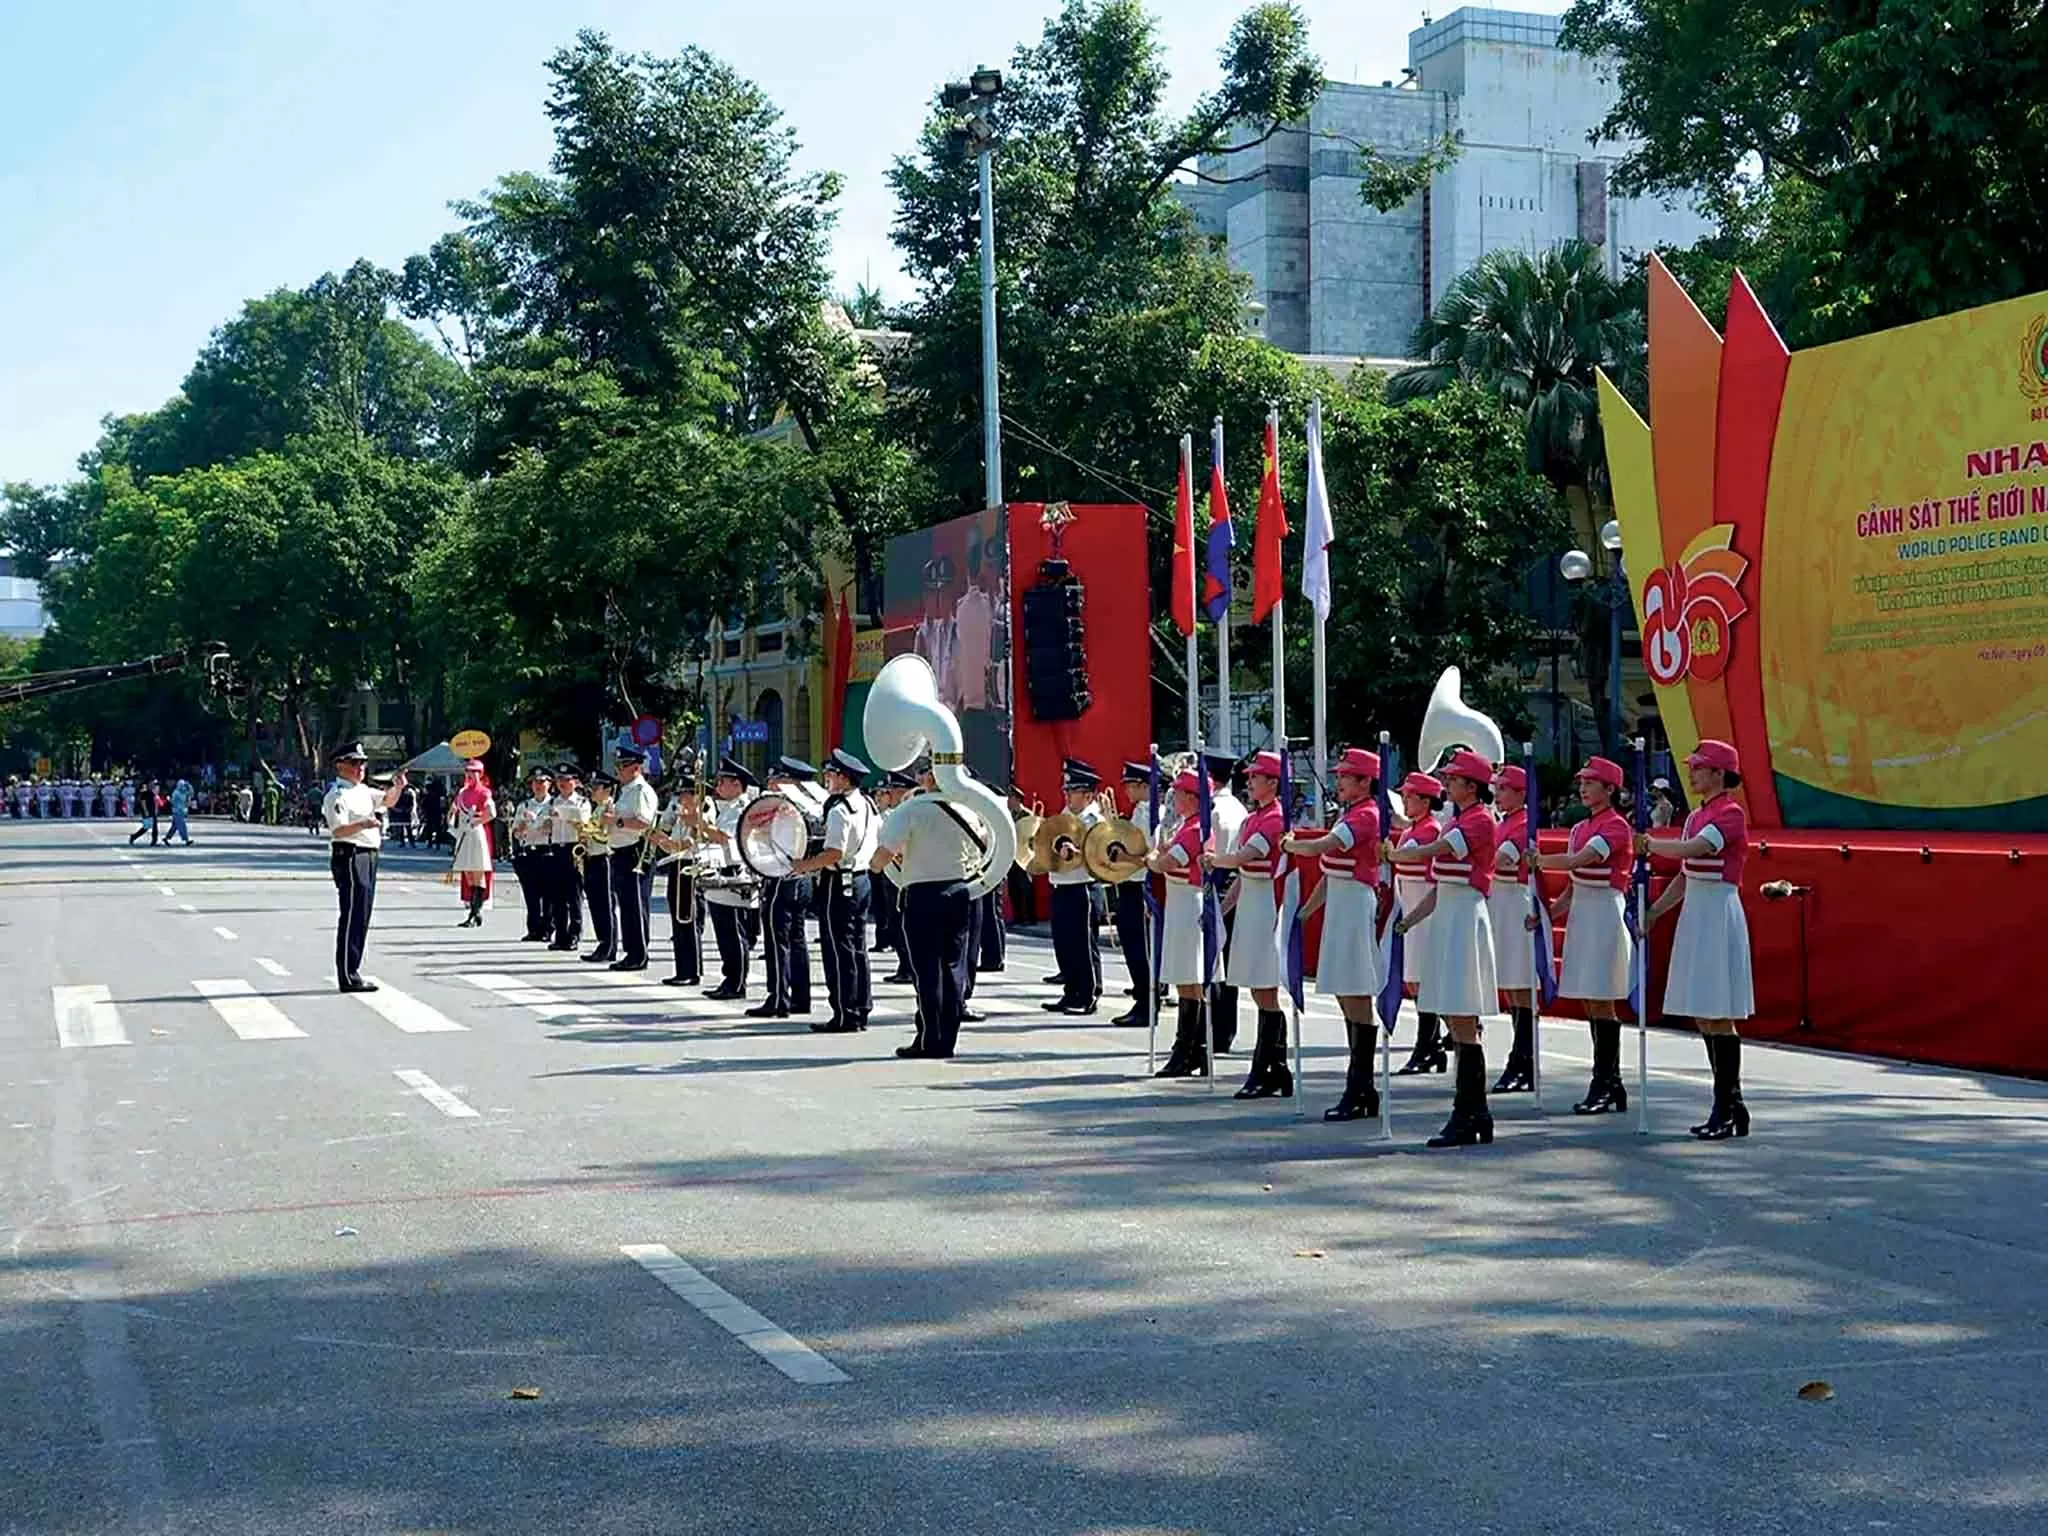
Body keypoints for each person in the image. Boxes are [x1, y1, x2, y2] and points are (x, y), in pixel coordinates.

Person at [1641, 740, 1755, 1139]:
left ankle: (1726, 1106)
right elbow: (1686, 873)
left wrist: (1652, 844)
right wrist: (1655, 913)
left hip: (1718, 910)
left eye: (1700, 767)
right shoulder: (1697, 815)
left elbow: (1695, 849)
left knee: (1717, 1010)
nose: (1692, 773)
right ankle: (1730, 1104)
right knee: (1705, 1012)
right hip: (1697, 910)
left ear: (1720, 773)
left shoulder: (1730, 814)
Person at [1390, 750, 1501, 1149]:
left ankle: (1469, 1111)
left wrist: (1398, 853)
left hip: (1465, 917)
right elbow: (1440, 886)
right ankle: (1473, 1111)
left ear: (1471, 787)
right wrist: (1409, 920)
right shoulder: (1460, 819)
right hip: (1450, 914)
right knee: (1456, 1018)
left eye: (1453, 780)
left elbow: (1435, 852)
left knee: (1462, 1016)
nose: (1447, 786)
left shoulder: (1478, 820)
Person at [1283, 747, 1386, 1121]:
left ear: (1364, 782)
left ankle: (1361, 1086)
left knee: (1355, 990)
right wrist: (1307, 911)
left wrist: (1289, 843)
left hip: (1356, 903)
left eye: (1345, 776)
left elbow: (1320, 848)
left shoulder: (1366, 815)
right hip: (1341, 902)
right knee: (1345, 991)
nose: (1338, 781)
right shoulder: (1351, 814)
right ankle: (1359, 1086)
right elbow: (1331, 869)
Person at [1532, 758, 1635, 1116]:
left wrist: (1539, 860)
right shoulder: (1579, 828)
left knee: (1601, 997)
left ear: (1610, 790)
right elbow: (1573, 888)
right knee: (1590, 1001)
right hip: (1583, 914)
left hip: (1605, 912)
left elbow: (1583, 860)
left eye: (1592, 783)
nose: (1584, 788)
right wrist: (1546, 916)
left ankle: (1605, 1082)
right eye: (1583, 782)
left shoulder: (1616, 826)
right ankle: (1610, 1081)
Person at [870, 763, 983, 1060]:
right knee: (954, 967)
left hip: (922, 895)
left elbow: (883, 856)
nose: (919, 779)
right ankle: (948, 1038)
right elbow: (983, 846)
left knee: (927, 971)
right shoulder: (968, 810)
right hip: (958, 892)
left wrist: (876, 865)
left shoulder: (911, 810)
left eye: (924, 774)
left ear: (931, 778)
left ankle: (930, 1036)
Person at [1206, 750, 1294, 1099]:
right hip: (1251, 903)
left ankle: (1267, 1067)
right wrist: (1224, 907)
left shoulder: (1275, 818)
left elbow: (1247, 857)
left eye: (1257, 777)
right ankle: (1274, 1066)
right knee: (1258, 988)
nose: (1250, 781)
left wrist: (1215, 860)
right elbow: (1243, 873)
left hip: (1267, 905)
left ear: (1273, 783)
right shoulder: (1253, 818)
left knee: (1265, 985)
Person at [790, 749, 878, 1033]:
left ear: (843, 778)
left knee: (838, 948)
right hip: (861, 879)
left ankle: (845, 1012)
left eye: (830, 774)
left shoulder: (840, 809)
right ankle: (861, 1006)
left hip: (840, 882)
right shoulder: (865, 803)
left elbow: (833, 852)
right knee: (857, 946)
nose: (826, 778)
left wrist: (805, 865)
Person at [323, 744, 407, 993]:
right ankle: (348, 975)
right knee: (351, 914)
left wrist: (399, 786)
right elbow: (338, 830)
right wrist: (363, 823)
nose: (360, 768)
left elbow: (388, 801)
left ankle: (353, 969)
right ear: (340, 765)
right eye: (354, 763)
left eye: (362, 763)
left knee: (363, 913)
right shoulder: (337, 795)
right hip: (350, 853)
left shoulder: (362, 791)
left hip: (368, 854)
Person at [1149, 770, 1213, 1077]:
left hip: (1188, 899)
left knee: (1189, 977)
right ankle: (1193, 1048)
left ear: (1191, 797)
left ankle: (1187, 1050)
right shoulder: (1188, 826)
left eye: (1178, 794)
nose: (1174, 799)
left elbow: (1167, 863)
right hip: (1179, 899)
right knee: (1186, 978)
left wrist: (1151, 860)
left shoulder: (1195, 829)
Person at [746, 757, 817, 1018]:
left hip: (781, 878)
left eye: (776, 779)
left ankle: (778, 999)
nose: (771, 784)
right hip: (803, 878)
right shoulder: (811, 806)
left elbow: (756, 832)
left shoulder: (782, 808)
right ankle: (801, 997)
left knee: (778, 941)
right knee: (797, 940)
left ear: (788, 781)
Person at [1390, 772, 1447, 1075]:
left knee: (1424, 979)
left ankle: (1428, 1045)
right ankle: (1431, 1043)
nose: (1405, 801)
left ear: (1425, 801)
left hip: (1423, 903)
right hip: (1410, 899)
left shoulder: (1430, 831)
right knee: (1415, 979)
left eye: (1410, 796)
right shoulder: (1416, 828)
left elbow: (1411, 859)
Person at [1488, 765, 1539, 1094]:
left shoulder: (1521, 824)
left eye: (1505, 788)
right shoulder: (1504, 822)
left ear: (1521, 794)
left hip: (1516, 902)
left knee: (1521, 985)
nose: (1498, 794)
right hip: (1501, 902)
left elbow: (1501, 859)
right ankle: (1520, 1058)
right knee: (1511, 986)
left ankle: (1524, 1059)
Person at [1043, 761, 1106, 1015]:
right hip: (1062, 885)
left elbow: (1101, 854)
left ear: (1087, 795)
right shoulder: (1066, 816)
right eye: (1066, 791)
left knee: (1083, 943)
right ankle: (1071, 991)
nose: (1067, 796)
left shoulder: (1094, 820)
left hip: (1083, 886)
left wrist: (1078, 852)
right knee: (1065, 942)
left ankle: (1089, 994)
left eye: (1072, 792)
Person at [699, 757, 759, 998]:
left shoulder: (743, 808)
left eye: (723, 781)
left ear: (737, 784)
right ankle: (729, 978)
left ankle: (736, 982)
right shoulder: (729, 807)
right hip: (721, 870)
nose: (718, 786)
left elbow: (725, 837)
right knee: (724, 931)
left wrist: (700, 825)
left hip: (735, 874)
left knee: (734, 931)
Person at [1201, 750, 1248, 1053]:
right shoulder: (1240, 808)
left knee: (1212, 961)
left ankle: (1213, 1029)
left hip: (1217, 881)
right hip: (1235, 880)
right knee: (1227, 963)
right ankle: (1224, 1030)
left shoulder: (1214, 810)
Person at [1110, 760, 1158, 1027]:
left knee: (1138, 947)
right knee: (1138, 945)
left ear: (1142, 786)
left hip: (1138, 883)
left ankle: (1145, 1003)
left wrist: (1122, 856)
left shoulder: (1145, 812)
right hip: (1137, 883)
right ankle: (1146, 998)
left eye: (1130, 785)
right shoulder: (1147, 810)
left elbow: (1146, 853)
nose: (1126, 790)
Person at [607, 745, 661, 972]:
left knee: (636, 905)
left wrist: (616, 822)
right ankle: (631, 951)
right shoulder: (627, 791)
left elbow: (644, 822)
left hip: (635, 851)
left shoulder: (641, 791)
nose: (619, 770)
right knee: (627, 905)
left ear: (636, 768)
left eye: (623, 766)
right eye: (618, 766)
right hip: (622, 851)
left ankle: (639, 954)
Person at [646, 772, 702, 988]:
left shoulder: (701, 812)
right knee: (679, 920)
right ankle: (683, 968)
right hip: (677, 864)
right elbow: (674, 845)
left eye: (685, 794)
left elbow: (689, 843)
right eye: (680, 794)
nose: (681, 799)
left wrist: (667, 842)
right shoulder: (682, 813)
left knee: (687, 918)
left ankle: (691, 970)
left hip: (691, 866)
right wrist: (660, 840)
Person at [547, 764, 590, 952]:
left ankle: (574, 933)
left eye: (567, 780)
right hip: (557, 847)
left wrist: (562, 814)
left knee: (574, 895)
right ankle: (560, 934)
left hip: (574, 849)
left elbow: (583, 821)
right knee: (557, 895)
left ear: (575, 782)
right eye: (560, 780)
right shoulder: (552, 802)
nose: (563, 784)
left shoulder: (581, 803)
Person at [448, 759, 496, 927]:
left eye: (475, 771)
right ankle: (473, 910)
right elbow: (453, 810)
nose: (471, 774)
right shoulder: (462, 793)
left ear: (480, 774)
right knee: (468, 874)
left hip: (475, 833)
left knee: (478, 873)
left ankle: (475, 913)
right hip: (463, 833)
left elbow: (492, 812)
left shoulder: (484, 792)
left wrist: (478, 821)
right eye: (469, 771)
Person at [509, 767, 554, 941]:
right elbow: (516, 833)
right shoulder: (524, 805)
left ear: (549, 783)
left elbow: (552, 828)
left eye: (542, 782)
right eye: (535, 782)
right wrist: (524, 825)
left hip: (547, 850)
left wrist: (543, 823)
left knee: (548, 893)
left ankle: (548, 928)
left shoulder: (554, 805)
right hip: (529, 851)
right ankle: (534, 928)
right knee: (531, 893)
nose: (538, 785)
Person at [580, 774, 620, 963]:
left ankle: (609, 945)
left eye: (596, 788)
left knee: (605, 904)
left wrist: (588, 831)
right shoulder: (598, 808)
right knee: (596, 903)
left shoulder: (610, 808)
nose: (592, 791)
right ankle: (603, 941)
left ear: (607, 789)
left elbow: (607, 836)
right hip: (592, 856)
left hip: (604, 856)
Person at [128, 781, 161, 846]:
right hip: (147, 812)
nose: (152, 786)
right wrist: (146, 811)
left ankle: (154, 841)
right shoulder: (144, 793)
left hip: (152, 812)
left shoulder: (152, 793)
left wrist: (156, 810)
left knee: (155, 827)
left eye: (153, 785)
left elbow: (155, 802)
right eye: (151, 785)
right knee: (146, 827)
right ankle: (134, 836)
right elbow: (143, 803)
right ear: (148, 785)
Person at [163, 778, 194, 846]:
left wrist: (189, 785)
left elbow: (191, 793)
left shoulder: (184, 791)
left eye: (183, 785)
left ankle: (167, 838)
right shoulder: (176, 792)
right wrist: (169, 800)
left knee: (174, 827)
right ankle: (186, 840)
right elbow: (173, 802)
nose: (182, 786)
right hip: (177, 812)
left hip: (182, 811)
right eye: (181, 785)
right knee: (182, 826)